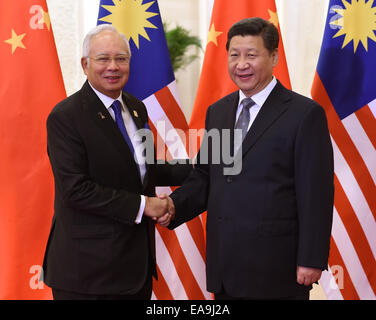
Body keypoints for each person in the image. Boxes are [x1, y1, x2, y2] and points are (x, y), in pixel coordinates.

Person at [166, 17, 334, 300]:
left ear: (274, 57)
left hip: (277, 269)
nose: (241, 64)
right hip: (226, 266)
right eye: (234, 55)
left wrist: (312, 257)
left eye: (251, 55)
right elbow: (207, 176)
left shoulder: (304, 114)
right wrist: (172, 206)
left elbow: (316, 193)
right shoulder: (218, 112)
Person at [42, 24, 190, 300]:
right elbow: (76, 190)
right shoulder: (66, 117)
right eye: (103, 59)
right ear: (86, 64)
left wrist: (199, 168)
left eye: (121, 59)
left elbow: (143, 169)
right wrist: (146, 205)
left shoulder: (135, 107)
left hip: (135, 269)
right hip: (87, 274)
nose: (113, 66)